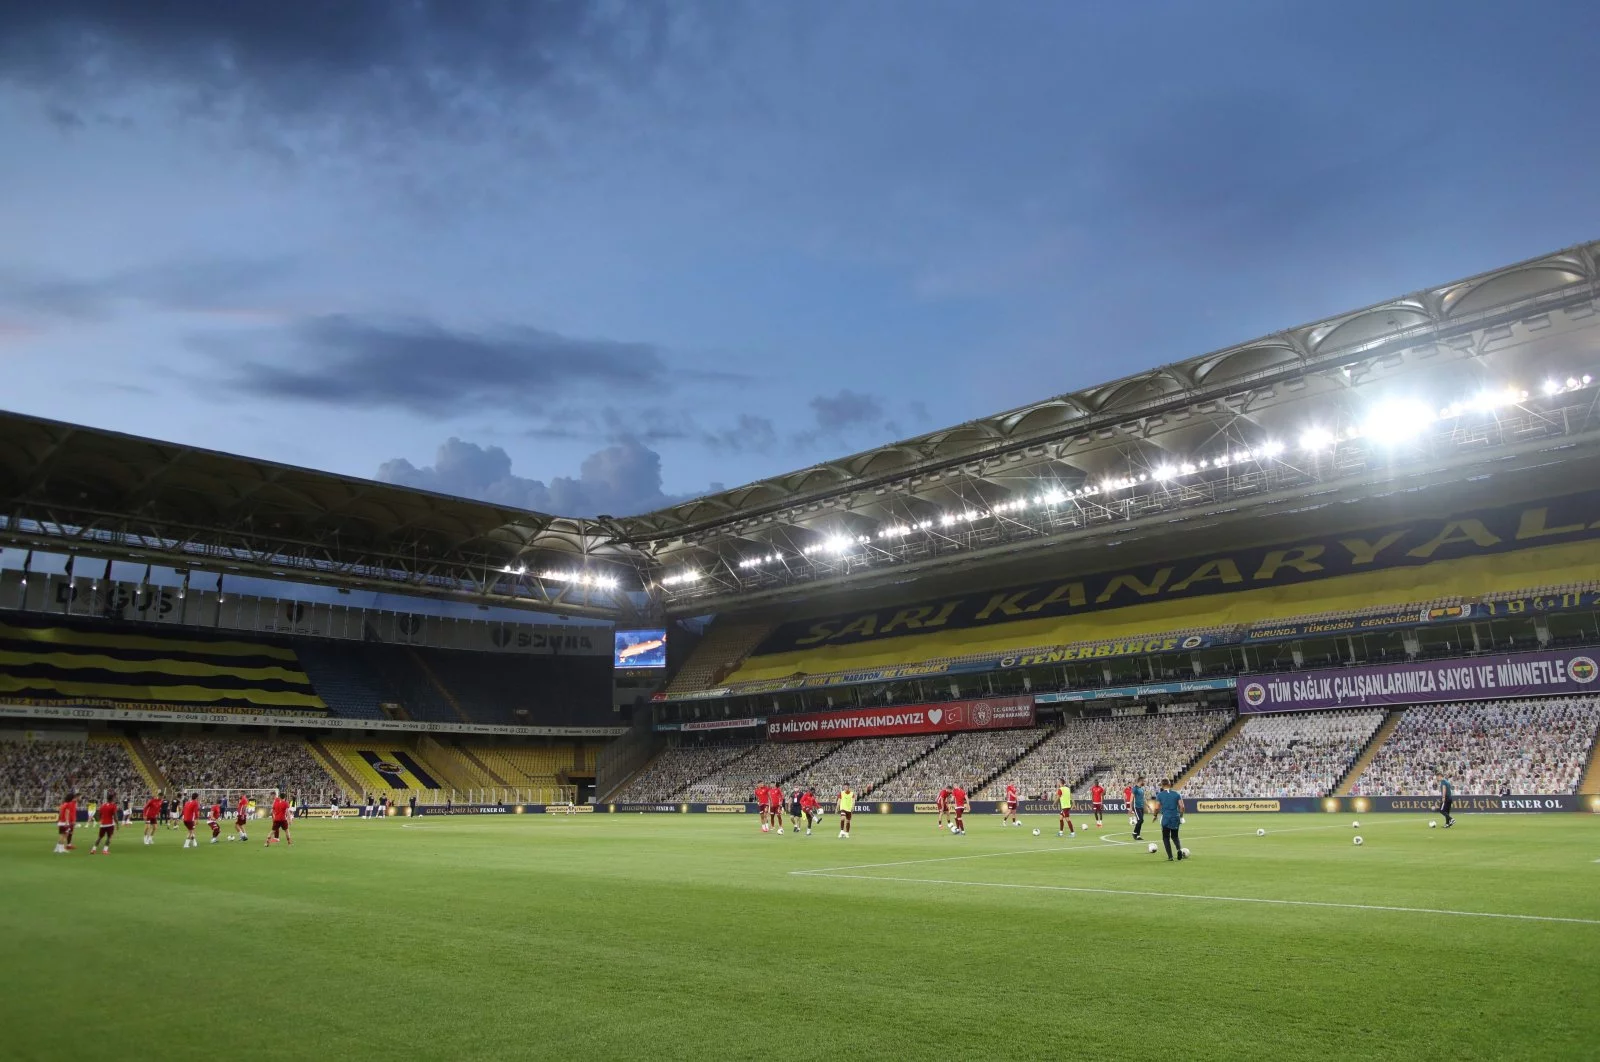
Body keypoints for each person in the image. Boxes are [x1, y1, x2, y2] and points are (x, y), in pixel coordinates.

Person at [1156, 780, 1186, 861]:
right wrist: (1181, 817)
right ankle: (1179, 849)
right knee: (1175, 836)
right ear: (1169, 784)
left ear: (1162, 785)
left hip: (1166, 818)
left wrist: (1155, 815)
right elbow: (1182, 807)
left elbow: (1157, 808)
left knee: (1166, 837)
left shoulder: (1160, 795)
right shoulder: (1176, 794)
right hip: (1175, 817)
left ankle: (1170, 856)